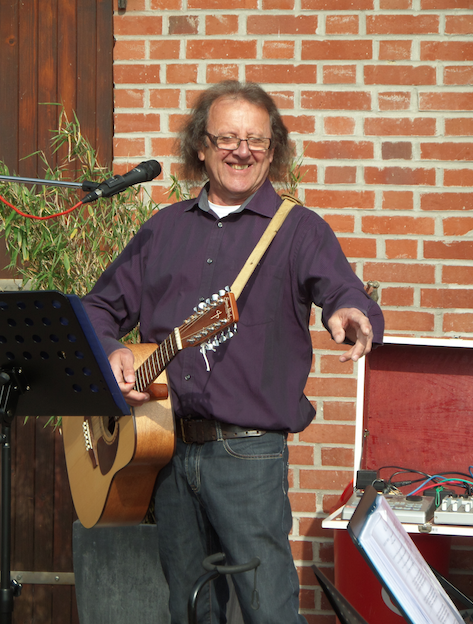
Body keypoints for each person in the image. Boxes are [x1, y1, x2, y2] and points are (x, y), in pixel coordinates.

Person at [82, 80, 384, 624]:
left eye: (257, 141)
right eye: (227, 137)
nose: (241, 150)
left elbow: (342, 292)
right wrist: (110, 351)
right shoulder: (161, 230)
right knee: (189, 610)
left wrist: (352, 316)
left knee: (267, 610)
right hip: (167, 452)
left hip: (249, 456)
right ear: (200, 145)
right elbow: (98, 309)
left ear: (273, 150)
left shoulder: (299, 230)